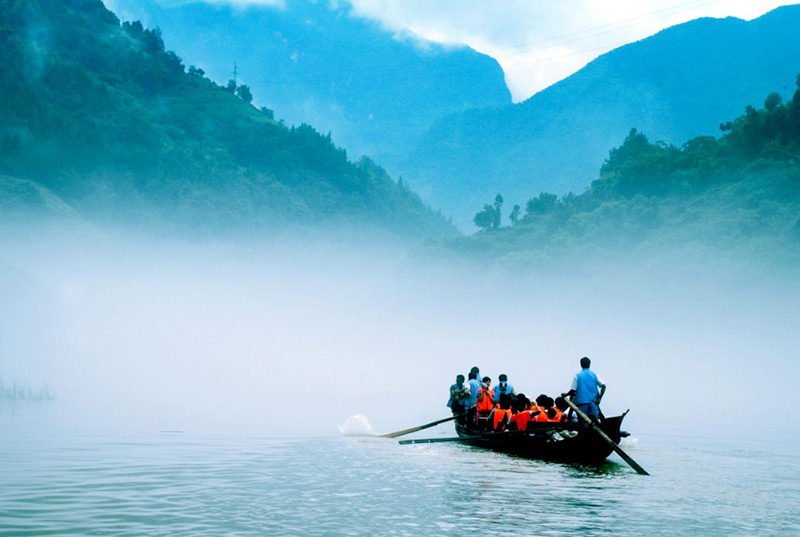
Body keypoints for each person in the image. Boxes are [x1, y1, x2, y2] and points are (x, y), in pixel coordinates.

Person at [568, 356, 606, 421]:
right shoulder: (594, 375)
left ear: (581, 365)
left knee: (583, 422)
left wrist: (565, 395)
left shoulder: (577, 376)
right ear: (589, 364)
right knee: (594, 422)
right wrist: (600, 398)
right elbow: (603, 386)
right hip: (593, 403)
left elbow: (573, 391)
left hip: (581, 403)